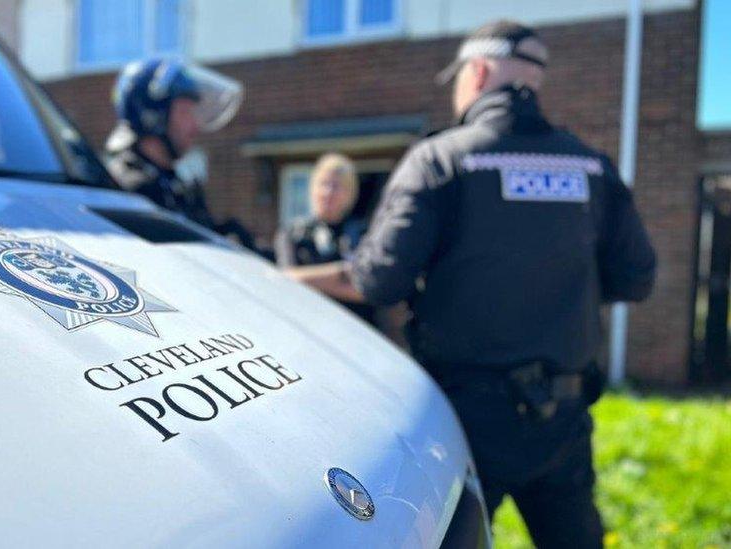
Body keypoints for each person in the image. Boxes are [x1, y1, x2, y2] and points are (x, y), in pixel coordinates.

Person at [285, 20, 656, 548]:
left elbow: (376, 279)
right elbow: (637, 279)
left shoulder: (440, 160)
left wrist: (276, 277)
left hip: (468, 418)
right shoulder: (591, 166)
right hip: (564, 416)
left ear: (477, 72)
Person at [105, 57, 255, 248]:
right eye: (185, 112)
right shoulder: (126, 190)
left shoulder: (174, 186)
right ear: (152, 116)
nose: (194, 125)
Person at [275, 153, 374, 323]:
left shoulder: (364, 233)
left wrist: (307, 278)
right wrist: (343, 274)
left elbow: (368, 286)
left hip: (357, 330)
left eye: (336, 186)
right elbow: (286, 281)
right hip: (312, 328)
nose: (328, 192)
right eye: (324, 184)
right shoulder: (293, 234)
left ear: (350, 193)